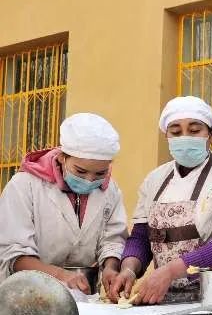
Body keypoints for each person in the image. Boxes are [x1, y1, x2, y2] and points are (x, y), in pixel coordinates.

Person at [109, 96, 212, 304]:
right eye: (176, 132)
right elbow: (141, 236)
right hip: (167, 297)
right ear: (167, 136)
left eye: (195, 130)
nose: (184, 137)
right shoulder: (155, 180)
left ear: (211, 135)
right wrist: (129, 269)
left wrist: (170, 271)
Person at [0, 113, 128, 294]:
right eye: (80, 171)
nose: (90, 180)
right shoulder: (24, 185)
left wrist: (111, 267)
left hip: (85, 295)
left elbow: (113, 239)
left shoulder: (110, 190)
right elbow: (14, 253)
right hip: (26, 295)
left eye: (100, 173)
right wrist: (60, 275)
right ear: (62, 157)